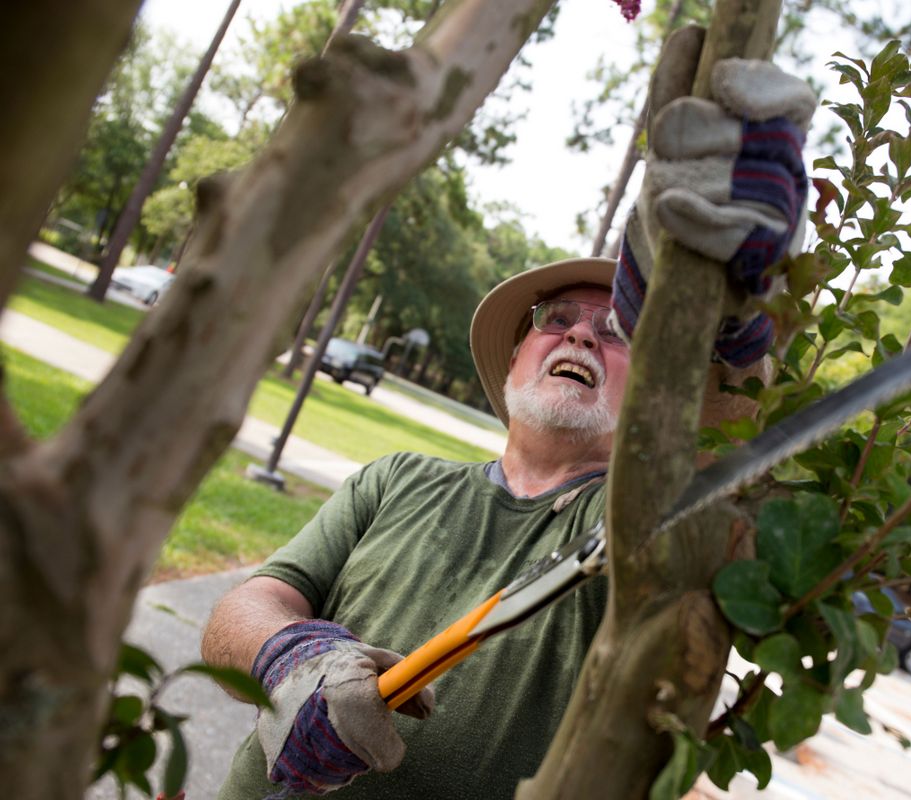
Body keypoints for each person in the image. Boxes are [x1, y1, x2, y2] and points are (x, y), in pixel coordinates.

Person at [202, 52, 815, 799]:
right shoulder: (397, 480)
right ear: (519, 353)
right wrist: (294, 659)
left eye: (617, 329)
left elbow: (724, 457)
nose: (582, 338)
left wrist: (730, 315)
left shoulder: (637, 523)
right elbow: (240, 611)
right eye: (557, 322)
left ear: (656, 384)